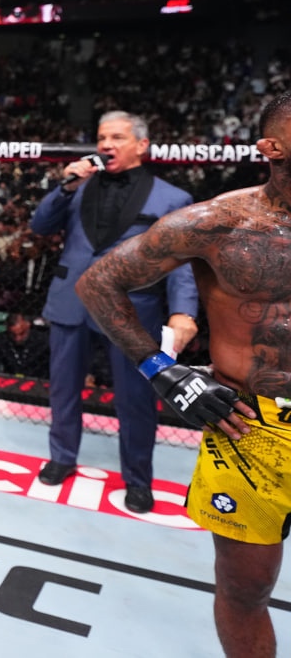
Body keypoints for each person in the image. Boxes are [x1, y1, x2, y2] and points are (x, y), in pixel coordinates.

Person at [66, 98, 291, 658]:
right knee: (246, 588)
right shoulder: (218, 223)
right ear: (272, 148)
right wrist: (164, 373)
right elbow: (97, 283)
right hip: (253, 429)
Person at [29, 111, 198, 513]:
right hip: (71, 301)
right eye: (102, 137)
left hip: (132, 309)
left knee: (136, 398)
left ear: (141, 145)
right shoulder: (78, 187)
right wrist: (66, 187)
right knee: (63, 389)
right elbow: (40, 226)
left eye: (117, 137)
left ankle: (138, 479)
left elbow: (181, 263)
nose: (106, 144)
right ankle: (61, 457)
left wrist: (183, 312)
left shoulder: (171, 198)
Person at [0, 312, 49, 378]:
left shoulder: (43, 341)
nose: (17, 339)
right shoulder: (0, 340)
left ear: (28, 325)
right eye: (12, 334)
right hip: (9, 379)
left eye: (22, 333)